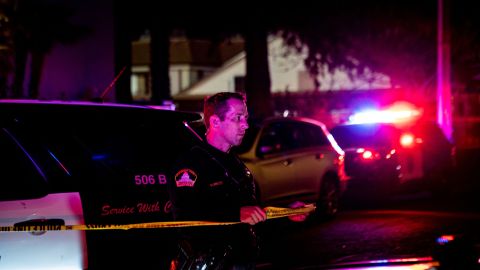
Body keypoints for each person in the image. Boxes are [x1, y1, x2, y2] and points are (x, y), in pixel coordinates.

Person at [168, 92, 307, 270]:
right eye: (238, 118)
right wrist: (235, 214)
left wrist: (286, 213)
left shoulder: (236, 164)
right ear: (215, 122)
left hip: (242, 262)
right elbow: (186, 219)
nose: (246, 125)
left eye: (246, 118)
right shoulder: (191, 164)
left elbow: (252, 214)